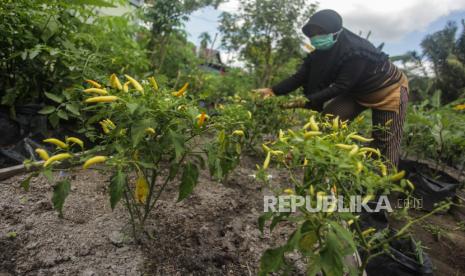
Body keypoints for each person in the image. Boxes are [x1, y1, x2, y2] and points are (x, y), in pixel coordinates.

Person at [255, 9, 409, 169]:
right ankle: (303, 156)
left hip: (389, 90)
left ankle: (384, 188)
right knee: (328, 119)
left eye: (321, 32)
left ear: (335, 31)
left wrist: (303, 101)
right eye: (312, 33)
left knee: (385, 142)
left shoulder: (355, 50)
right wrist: (272, 90)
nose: (316, 37)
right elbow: (299, 77)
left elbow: (341, 86)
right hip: (357, 92)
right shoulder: (319, 54)